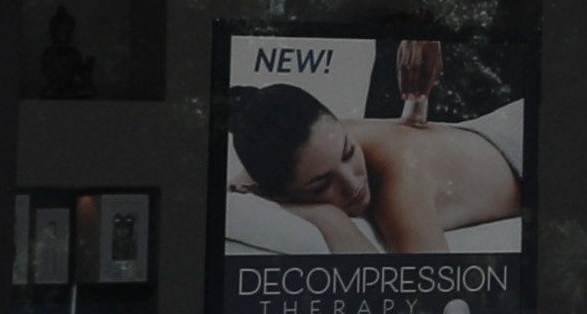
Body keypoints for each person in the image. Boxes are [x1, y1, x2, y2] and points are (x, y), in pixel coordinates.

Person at [224, 79, 523, 253]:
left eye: (348, 152)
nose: (353, 184)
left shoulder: (398, 182)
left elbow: (434, 308)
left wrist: (330, 219)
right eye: (322, 184)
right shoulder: (317, 144)